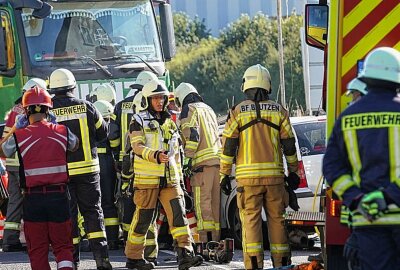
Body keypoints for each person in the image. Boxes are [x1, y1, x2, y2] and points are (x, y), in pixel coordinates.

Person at [323, 47, 400, 270]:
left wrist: (356, 199)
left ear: (367, 79)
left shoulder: (347, 117)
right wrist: (387, 197)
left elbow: (331, 166)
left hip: (367, 220)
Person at [220, 64, 299, 269]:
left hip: (248, 182)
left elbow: (228, 146)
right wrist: (293, 172)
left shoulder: (237, 112)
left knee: (250, 222)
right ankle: (281, 263)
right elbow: (289, 144)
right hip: (275, 179)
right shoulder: (279, 111)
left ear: (246, 86)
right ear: (268, 85)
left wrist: (224, 175)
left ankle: (254, 264)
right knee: (277, 221)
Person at [125, 80, 203, 270]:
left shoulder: (170, 122)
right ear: (147, 100)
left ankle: (185, 254)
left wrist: (180, 183)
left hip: (170, 181)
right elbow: (136, 146)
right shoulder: (138, 120)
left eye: (162, 98)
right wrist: (155, 156)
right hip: (147, 180)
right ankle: (134, 258)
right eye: (155, 98)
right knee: (143, 220)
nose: (160, 102)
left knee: (179, 217)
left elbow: (177, 152)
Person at [0, 86, 79, 270]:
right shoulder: (62, 131)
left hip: (32, 199)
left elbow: (2, 151)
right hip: (59, 197)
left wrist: (15, 129)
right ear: (48, 109)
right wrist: (56, 125)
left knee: (37, 250)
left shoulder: (19, 135)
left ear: (26, 111)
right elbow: (74, 145)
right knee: (63, 248)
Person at [49, 68, 112, 270]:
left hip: (62, 173)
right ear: (73, 86)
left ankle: (72, 262)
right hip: (88, 171)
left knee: (68, 218)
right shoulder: (88, 107)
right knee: (93, 213)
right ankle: (102, 260)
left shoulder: (48, 110)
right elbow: (104, 133)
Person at [109, 71, 159, 263]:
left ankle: (131, 247)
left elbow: (113, 136)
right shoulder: (154, 109)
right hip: (151, 163)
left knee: (129, 203)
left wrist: (116, 156)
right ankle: (148, 251)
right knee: (149, 209)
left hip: (126, 163)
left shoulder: (120, 106)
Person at [1, 78, 47, 252]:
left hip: (12, 164)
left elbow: (5, 140)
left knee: (15, 201)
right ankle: (36, 239)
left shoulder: (14, 110)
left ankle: (9, 240)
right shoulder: (32, 109)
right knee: (34, 199)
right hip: (24, 164)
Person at [174, 82, 221, 243]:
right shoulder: (208, 109)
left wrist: (187, 160)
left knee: (203, 207)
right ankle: (216, 241)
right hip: (217, 163)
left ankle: (205, 243)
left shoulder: (189, 109)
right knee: (215, 207)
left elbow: (192, 136)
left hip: (201, 165)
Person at [93, 100, 120, 250]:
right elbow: (115, 142)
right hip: (108, 164)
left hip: (94, 164)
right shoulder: (110, 124)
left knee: (95, 203)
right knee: (109, 203)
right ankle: (113, 239)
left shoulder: (92, 123)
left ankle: (98, 239)